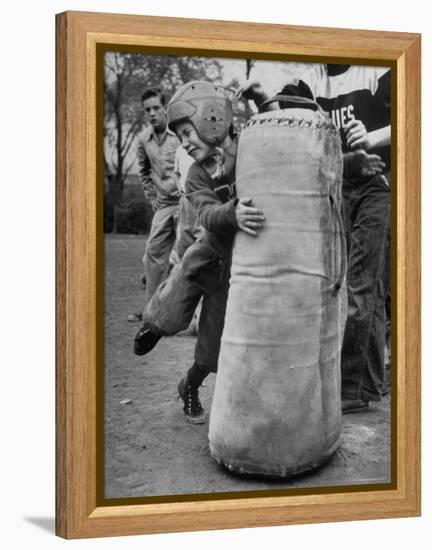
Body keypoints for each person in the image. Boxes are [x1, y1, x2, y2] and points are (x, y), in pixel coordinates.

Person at [239, 63, 391, 414]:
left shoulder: (379, 70)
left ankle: (350, 388)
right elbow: (289, 126)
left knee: (362, 286)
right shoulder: (310, 80)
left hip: (379, 185)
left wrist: (373, 137)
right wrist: (263, 97)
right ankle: (367, 384)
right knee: (350, 286)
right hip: (337, 188)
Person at [134, 81, 265, 424]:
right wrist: (232, 213)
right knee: (172, 304)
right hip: (208, 251)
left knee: (211, 349)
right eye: (179, 136)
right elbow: (207, 214)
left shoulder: (249, 150)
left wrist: (263, 100)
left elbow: (278, 140)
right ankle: (154, 326)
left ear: (213, 119)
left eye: (188, 132)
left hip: (235, 268)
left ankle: (189, 386)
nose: (185, 143)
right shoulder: (194, 174)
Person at [136, 87, 181, 306]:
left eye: (156, 108)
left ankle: (193, 314)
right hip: (163, 205)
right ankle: (152, 311)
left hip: (186, 203)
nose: (152, 113)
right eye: (148, 110)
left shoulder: (181, 134)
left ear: (165, 109)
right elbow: (143, 171)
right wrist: (151, 197)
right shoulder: (143, 140)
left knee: (190, 253)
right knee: (153, 253)